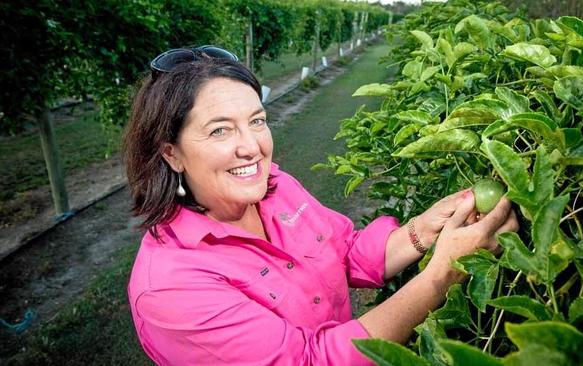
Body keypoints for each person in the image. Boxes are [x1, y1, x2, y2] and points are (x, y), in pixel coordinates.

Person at [123, 45, 518, 366]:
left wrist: (424, 229)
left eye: (257, 121)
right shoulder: (170, 286)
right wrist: (442, 275)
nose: (252, 147)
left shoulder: (276, 189)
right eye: (220, 130)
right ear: (172, 153)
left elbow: (346, 253)